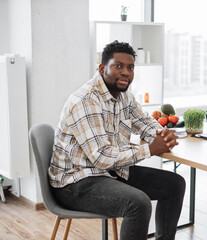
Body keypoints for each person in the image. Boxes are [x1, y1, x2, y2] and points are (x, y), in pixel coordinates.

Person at [49, 41, 185, 240]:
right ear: (103, 68)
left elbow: (144, 121)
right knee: (138, 203)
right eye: (118, 66)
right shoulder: (85, 101)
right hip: (75, 182)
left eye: (130, 68)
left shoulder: (124, 95)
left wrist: (161, 134)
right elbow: (101, 157)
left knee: (175, 184)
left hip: (110, 172)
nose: (125, 73)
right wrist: (150, 149)